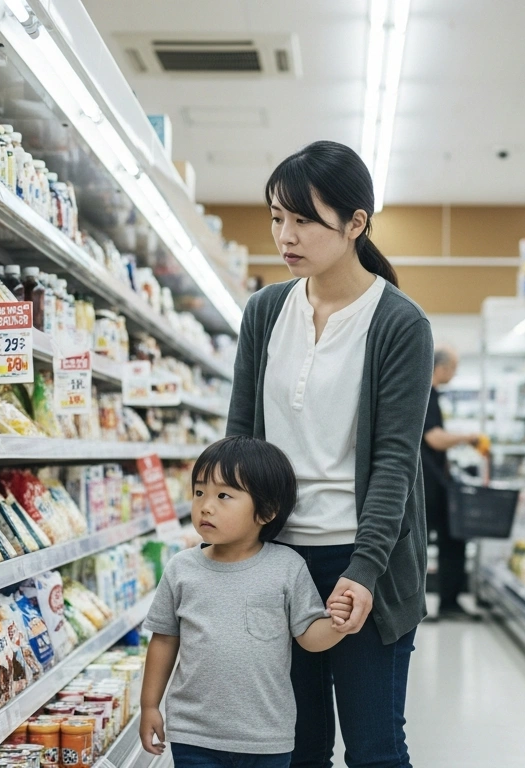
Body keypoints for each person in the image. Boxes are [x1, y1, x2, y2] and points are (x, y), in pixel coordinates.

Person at [227, 139, 433, 768]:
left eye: (302, 219)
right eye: (275, 217)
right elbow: (240, 439)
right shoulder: (265, 312)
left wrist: (365, 571)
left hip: (362, 564)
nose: (284, 235)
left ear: (355, 224)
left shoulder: (399, 324)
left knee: (374, 747)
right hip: (277, 559)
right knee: (297, 747)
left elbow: (395, 463)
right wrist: (231, 549)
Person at [139, 435, 356, 766]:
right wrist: (149, 705)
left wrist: (337, 623)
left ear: (266, 511)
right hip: (194, 733)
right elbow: (164, 640)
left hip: (266, 736)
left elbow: (308, 636)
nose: (205, 505)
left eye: (224, 495)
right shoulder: (181, 569)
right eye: (199, 492)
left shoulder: (286, 568)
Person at [420, 346, 483, 620]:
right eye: (454, 368)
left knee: (447, 538)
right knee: (450, 537)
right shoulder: (426, 394)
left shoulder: (428, 393)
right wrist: (467, 437)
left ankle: (447, 602)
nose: (455, 374)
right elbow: (433, 438)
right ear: (442, 368)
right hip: (429, 483)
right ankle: (447, 603)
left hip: (431, 481)